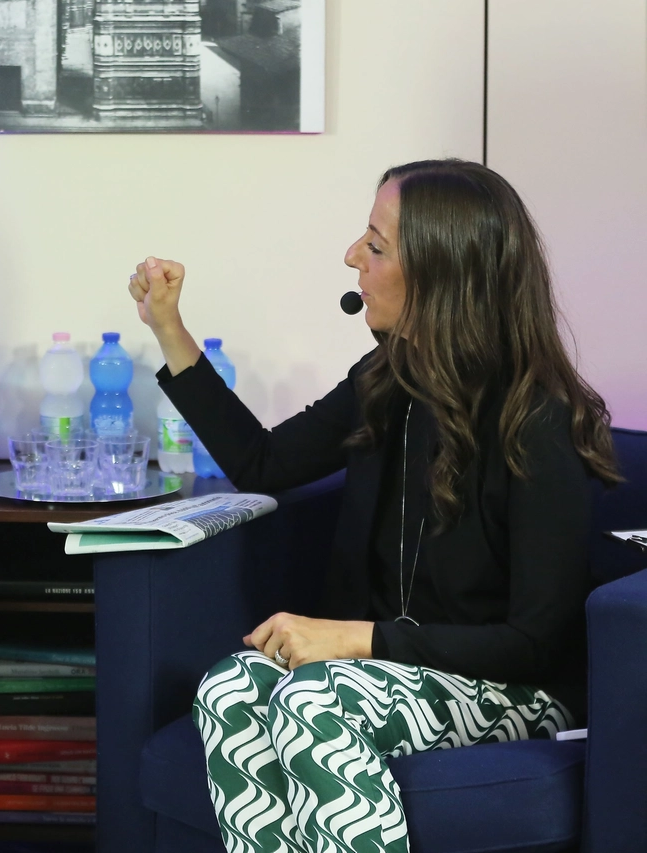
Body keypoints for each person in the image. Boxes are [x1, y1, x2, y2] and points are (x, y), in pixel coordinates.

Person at [127, 159, 620, 853]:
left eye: (377, 246)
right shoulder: (386, 380)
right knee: (229, 688)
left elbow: (536, 641)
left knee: (310, 701)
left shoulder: (535, 418)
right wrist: (168, 326)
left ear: (442, 279)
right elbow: (262, 463)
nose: (353, 256)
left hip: (518, 690)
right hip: (391, 671)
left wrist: (354, 638)